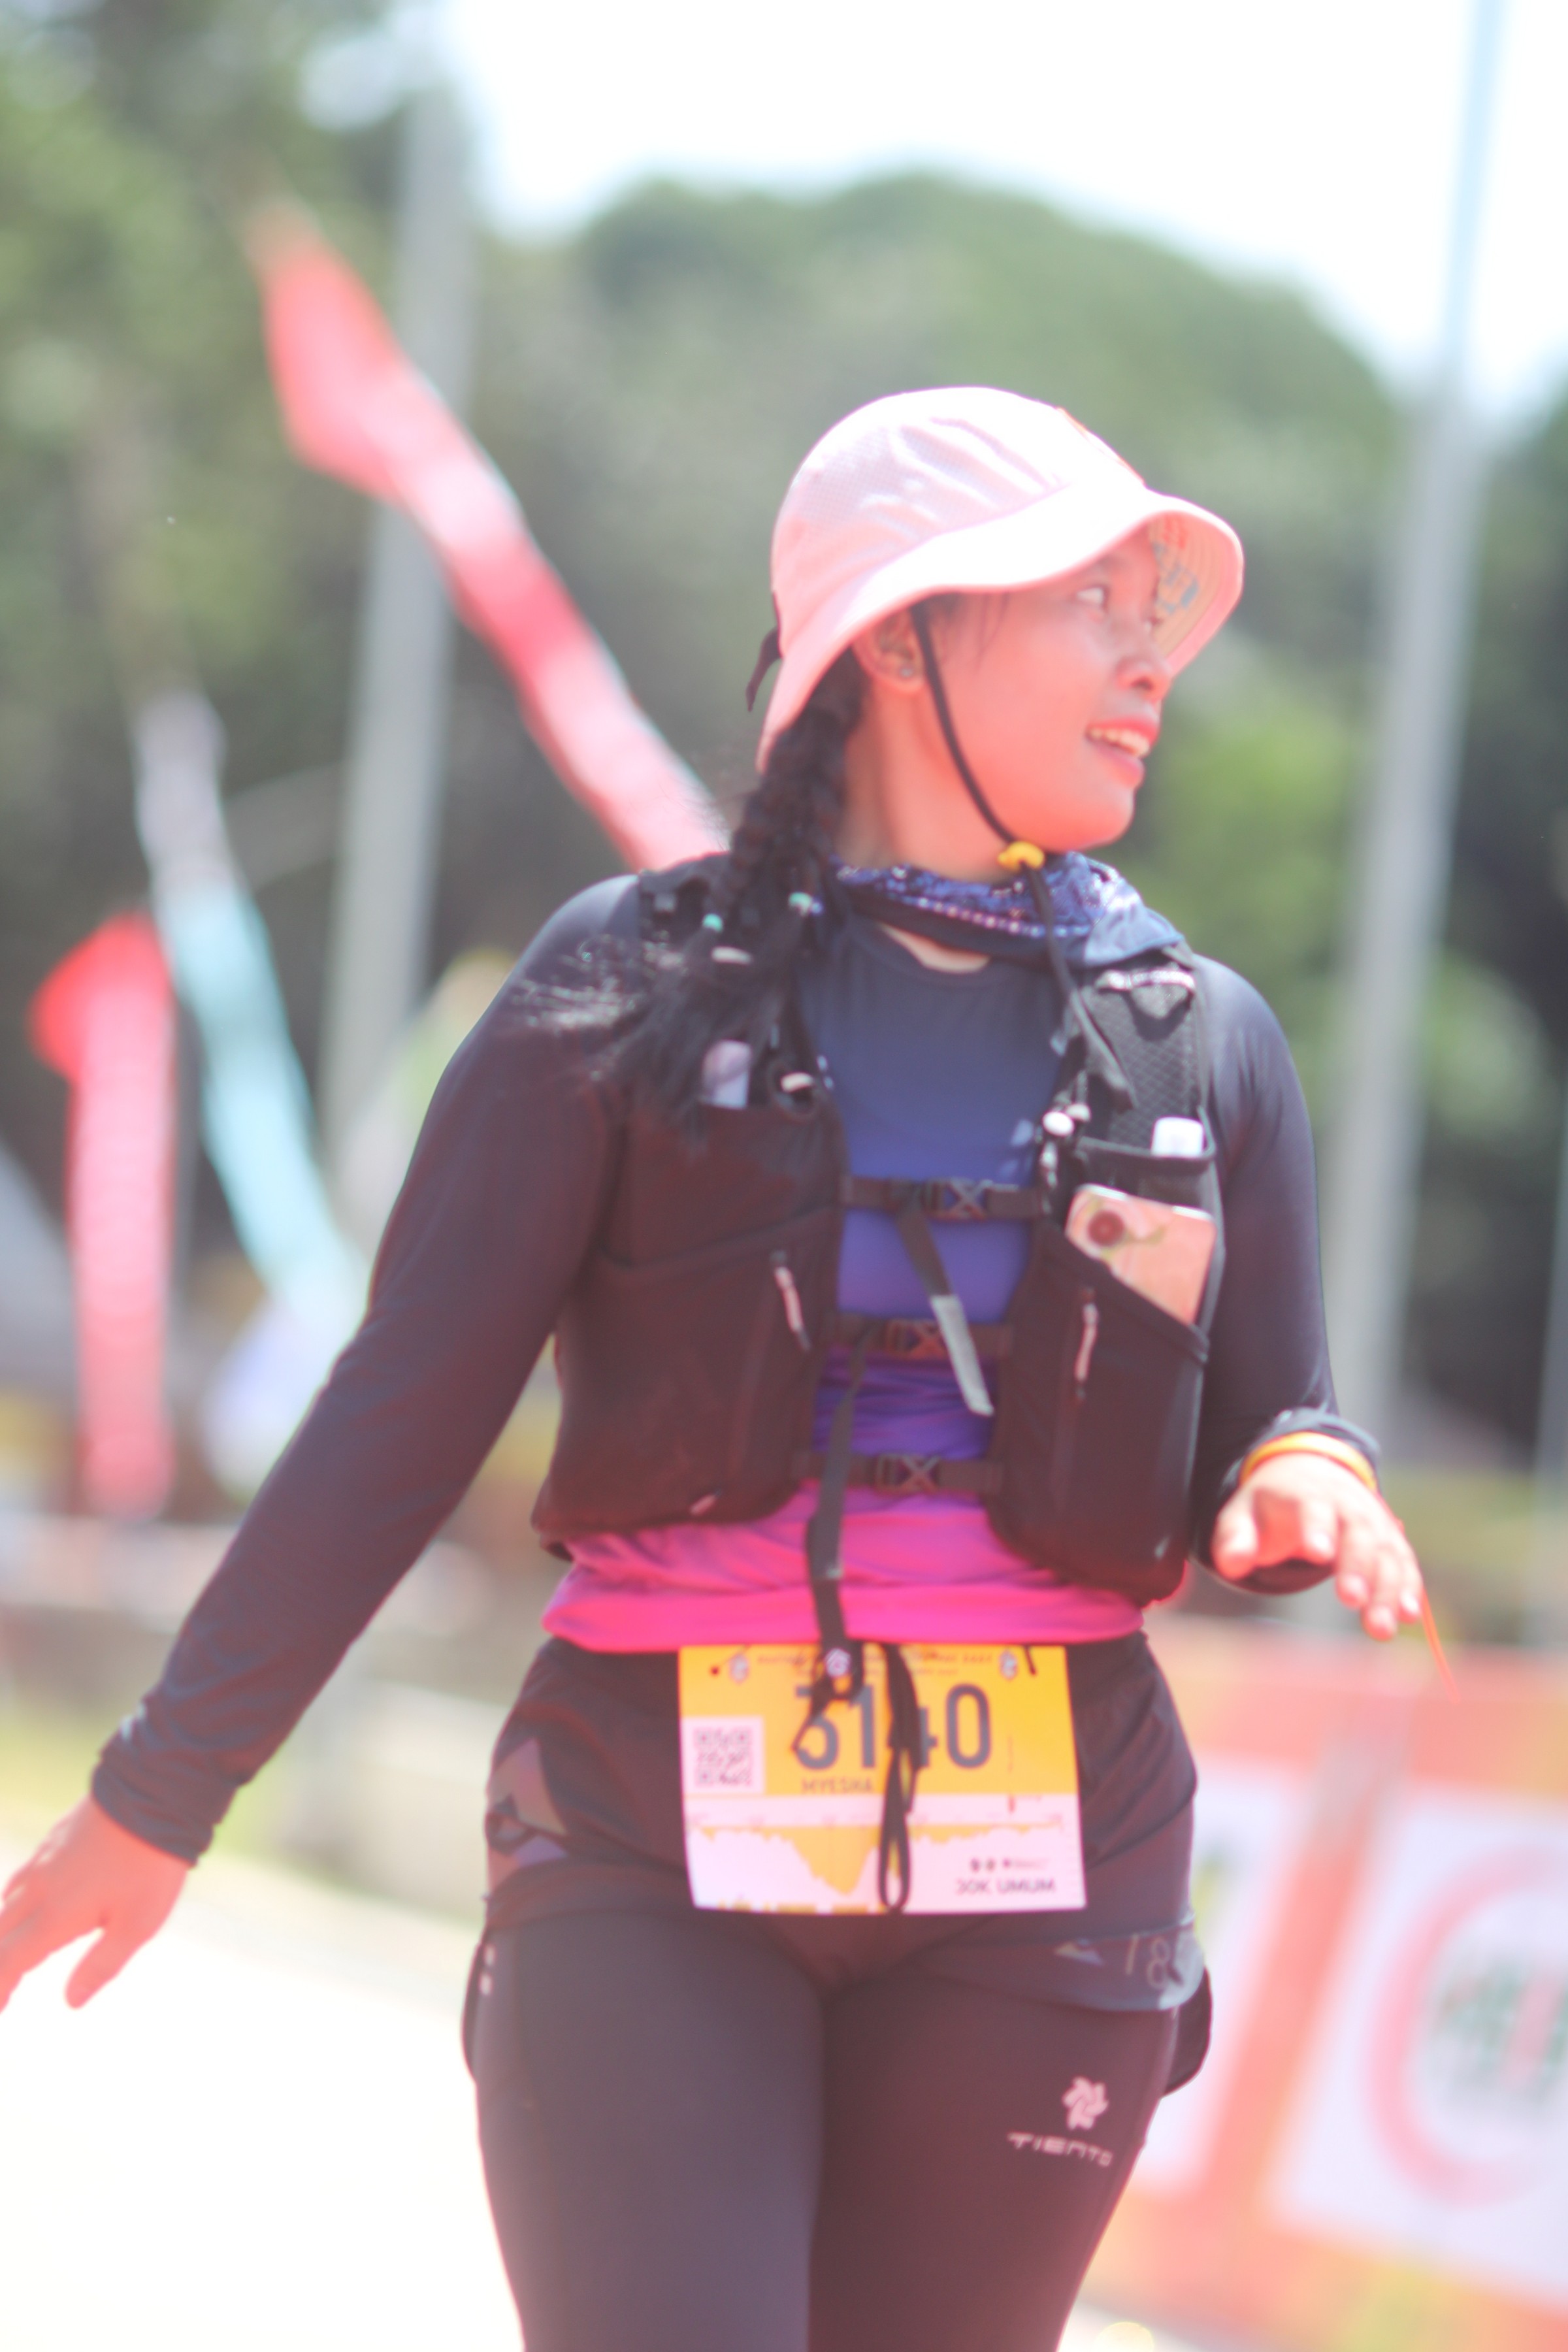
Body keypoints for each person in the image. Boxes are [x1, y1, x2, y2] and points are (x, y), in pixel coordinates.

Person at [0, 388, 1422, 2352]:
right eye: (1088, 604)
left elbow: (1281, 1404)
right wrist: (162, 1790)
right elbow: (398, 1419)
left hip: (1052, 1870)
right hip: (648, 1840)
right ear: (904, 637)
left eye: (1149, 610)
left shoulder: (1203, 1037)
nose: (1148, 661)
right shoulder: (632, 986)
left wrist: (1305, 1473)